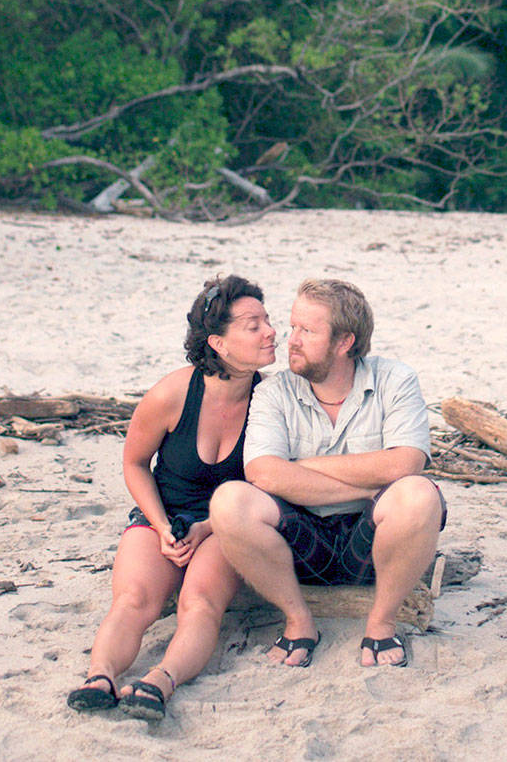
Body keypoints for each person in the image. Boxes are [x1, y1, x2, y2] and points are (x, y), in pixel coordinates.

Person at [66, 275, 276, 720]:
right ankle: (99, 677)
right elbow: (135, 464)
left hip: (227, 525)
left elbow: (273, 483)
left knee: (199, 604)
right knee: (133, 600)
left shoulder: (272, 400)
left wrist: (210, 527)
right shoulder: (173, 394)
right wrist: (161, 526)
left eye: (267, 320)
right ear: (218, 342)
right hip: (164, 514)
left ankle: (160, 681)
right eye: (253, 325)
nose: (270, 332)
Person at [209, 278, 444, 669]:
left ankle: (382, 623)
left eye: (307, 331)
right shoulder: (273, 392)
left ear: (344, 342)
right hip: (302, 542)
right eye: (293, 327)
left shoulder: (395, 380)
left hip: (373, 540)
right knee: (229, 501)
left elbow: (405, 464)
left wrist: (301, 469)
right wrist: (367, 488)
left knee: (419, 493)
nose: (291, 340)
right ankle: (298, 621)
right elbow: (263, 474)